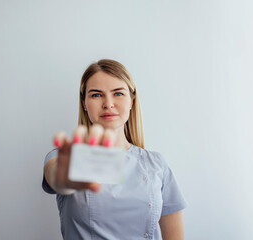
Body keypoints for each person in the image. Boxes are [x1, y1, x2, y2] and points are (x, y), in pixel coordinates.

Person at [42, 59, 188, 240]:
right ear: (84, 103)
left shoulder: (156, 164)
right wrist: (67, 173)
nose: (108, 104)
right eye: (96, 95)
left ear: (132, 101)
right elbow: (57, 176)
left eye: (118, 93)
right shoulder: (64, 156)